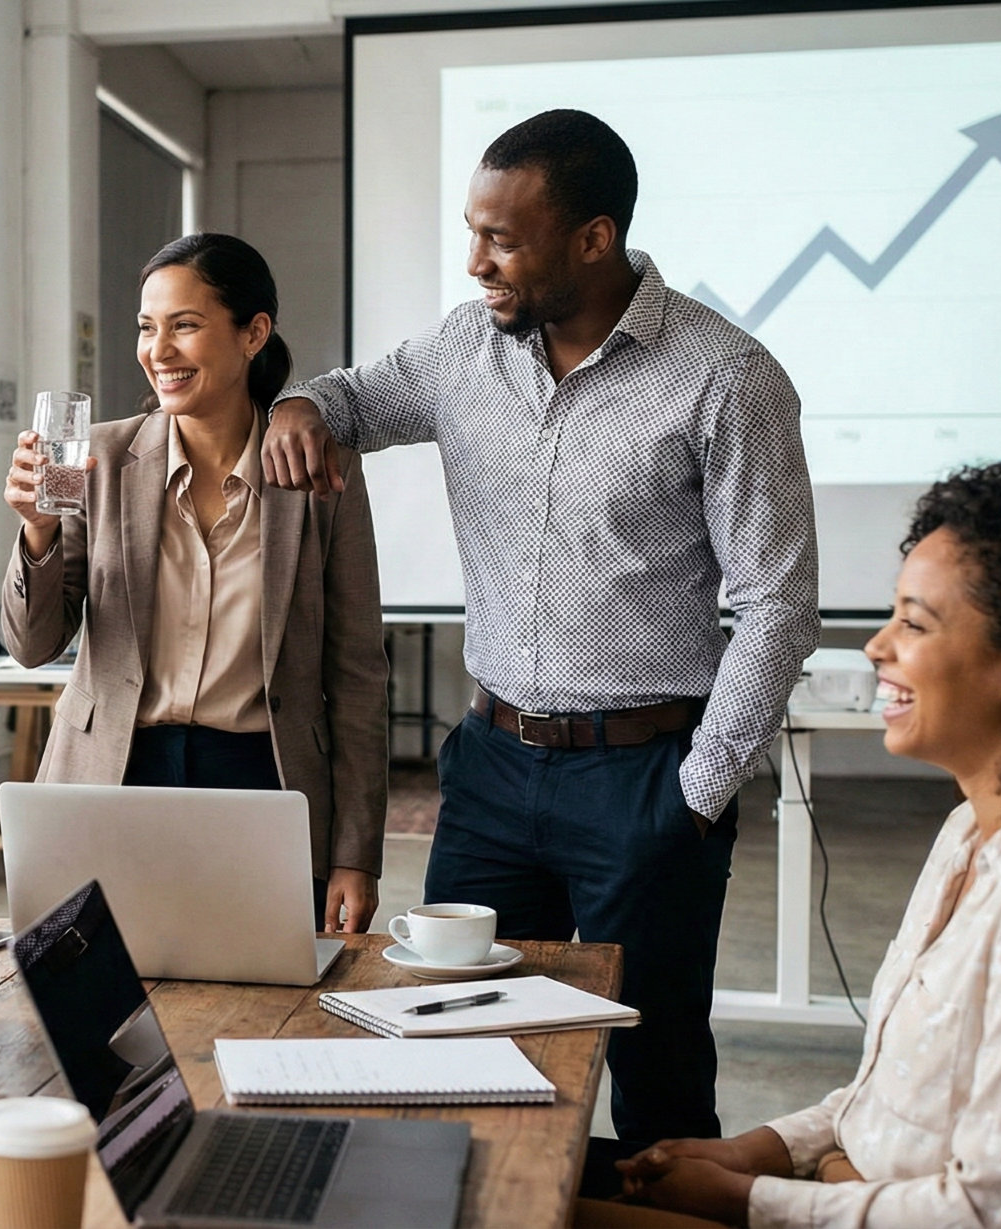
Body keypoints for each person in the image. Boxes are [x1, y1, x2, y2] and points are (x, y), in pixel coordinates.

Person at [262, 108, 819, 1148]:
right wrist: (299, 403)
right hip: (490, 774)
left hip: (646, 778)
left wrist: (696, 794)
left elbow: (778, 603)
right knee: (451, 1053)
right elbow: (346, 398)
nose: (475, 262)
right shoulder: (463, 346)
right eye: (472, 232)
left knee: (654, 1081)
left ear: (594, 239)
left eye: (501, 240)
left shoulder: (726, 377)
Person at [604, 465, 1001, 1229]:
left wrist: (750, 1197)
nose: (875, 646)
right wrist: (761, 1150)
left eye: (913, 623)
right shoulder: (972, 829)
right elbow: (894, 1099)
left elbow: (997, 1214)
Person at [0, 233, 388, 933]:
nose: (159, 350)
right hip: (110, 772)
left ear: (253, 333)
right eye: (147, 328)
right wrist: (36, 531)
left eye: (184, 325)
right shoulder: (94, 457)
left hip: (261, 777)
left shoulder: (322, 470)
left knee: (257, 1003)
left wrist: (355, 853)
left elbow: (356, 673)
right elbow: (33, 645)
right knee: (103, 1009)